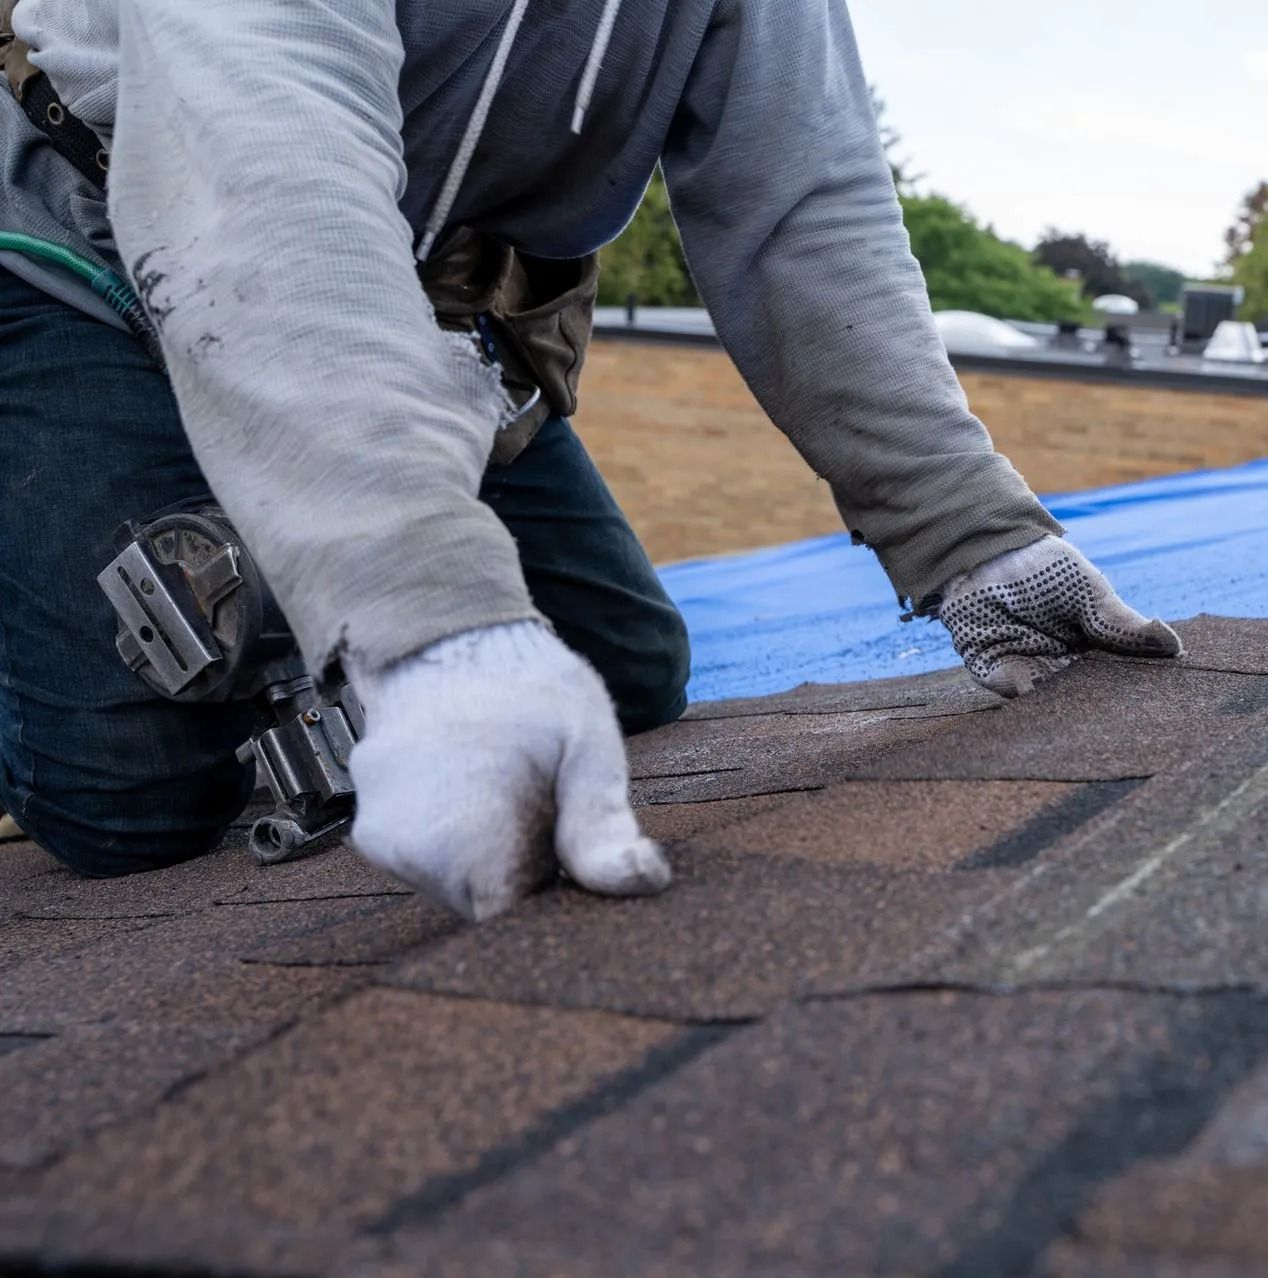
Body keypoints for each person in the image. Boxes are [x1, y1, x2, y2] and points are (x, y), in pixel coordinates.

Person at [0, 0, 1181, 920]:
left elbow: (800, 202)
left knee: (623, 670)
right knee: (131, 800)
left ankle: (273, 532)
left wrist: (974, 539)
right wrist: (428, 627)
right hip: (92, 253)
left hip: (408, 293)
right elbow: (263, 172)